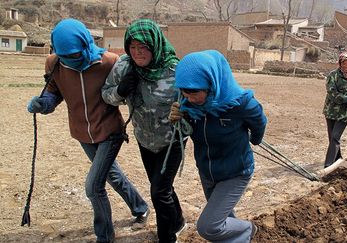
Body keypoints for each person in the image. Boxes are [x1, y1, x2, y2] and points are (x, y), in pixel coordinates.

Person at [26, 18, 150, 243]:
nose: (71, 61)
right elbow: (54, 92)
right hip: (82, 133)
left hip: (110, 131)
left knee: (93, 187)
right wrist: (43, 103)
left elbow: (127, 88)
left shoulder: (109, 62)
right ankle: (140, 207)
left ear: (85, 44)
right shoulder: (54, 63)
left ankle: (105, 237)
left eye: (75, 55)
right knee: (112, 175)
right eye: (65, 57)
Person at [169, 50, 267, 242]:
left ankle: (249, 229)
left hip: (235, 172)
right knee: (224, 222)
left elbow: (259, 121)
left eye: (194, 91)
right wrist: (178, 120)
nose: (188, 97)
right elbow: (185, 132)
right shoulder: (188, 106)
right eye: (184, 91)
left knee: (210, 226)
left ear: (211, 84)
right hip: (208, 172)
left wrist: (255, 139)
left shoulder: (240, 103)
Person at [101, 19, 186, 243]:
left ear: (155, 45)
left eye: (143, 47)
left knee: (159, 192)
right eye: (133, 47)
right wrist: (120, 90)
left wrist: (184, 115)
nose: (138, 53)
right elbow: (106, 94)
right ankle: (178, 221)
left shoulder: (176, 70)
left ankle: (167, 238)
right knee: (161, 188)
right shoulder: (124, 66)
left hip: (172, 141)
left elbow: (196, 102)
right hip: (144, 139)